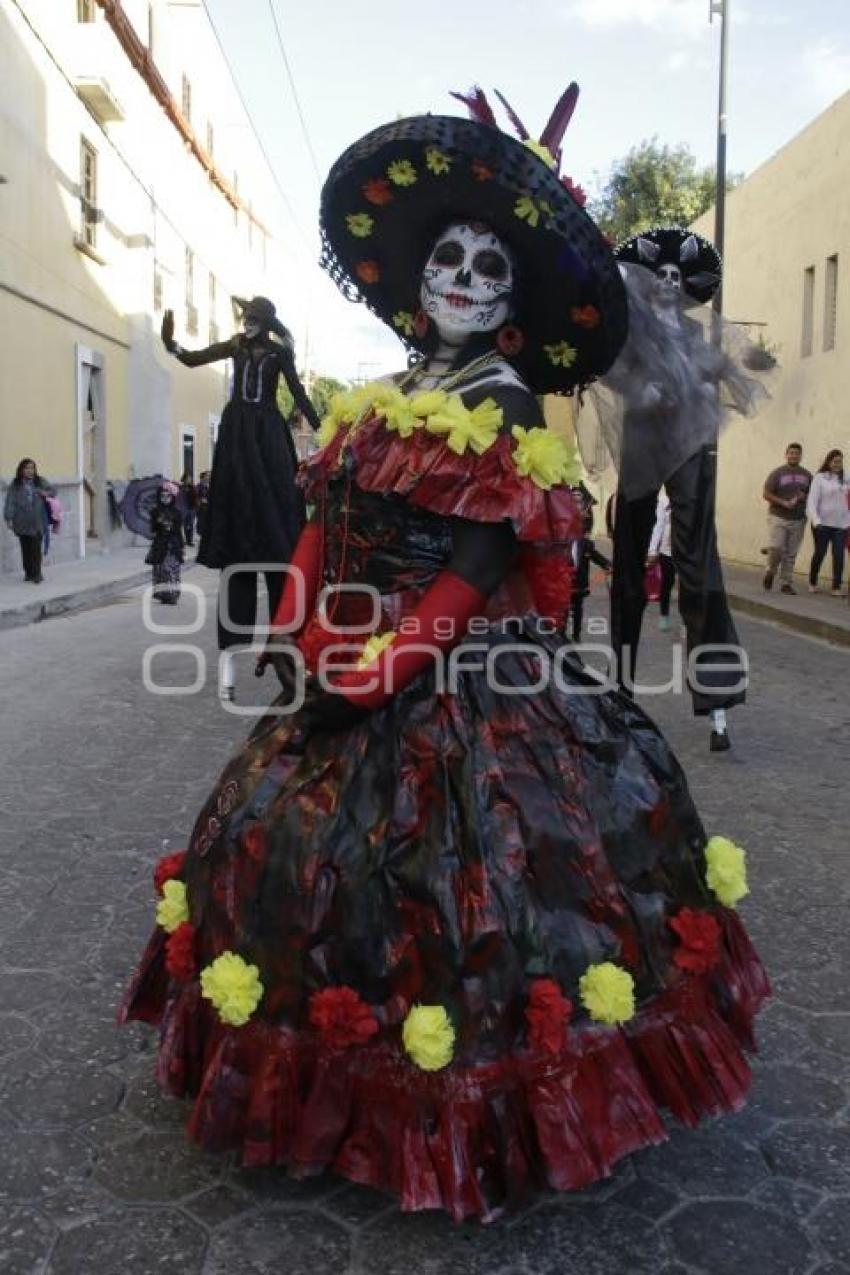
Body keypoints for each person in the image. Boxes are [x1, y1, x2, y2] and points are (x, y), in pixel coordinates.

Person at [121, 90, 769, 1222]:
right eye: (447, 258)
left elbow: (475, 563)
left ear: (512, 300)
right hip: (352, 651)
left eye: (487, 266)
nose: (462, 275)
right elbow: (323, 516)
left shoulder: (503, 399)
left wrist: (378, 671)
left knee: (469, 883)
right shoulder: (389, 397)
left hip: (462, 676)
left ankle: (476, 1102)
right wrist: (302, 619)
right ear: (417, 278)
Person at [591, 227, 765, 753]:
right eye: (658, 275)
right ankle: (620, 685)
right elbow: (612, 369)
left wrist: (738, 375)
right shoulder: (631, 331)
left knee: (698, 563)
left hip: (687, 443)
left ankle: (716, 699)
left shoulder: (695, 337)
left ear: (684, 286)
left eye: (674, 276)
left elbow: (722, 371)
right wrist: (638, 386)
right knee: (628, 564)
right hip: (644, 442)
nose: (667, 282)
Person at [160, 296, 320, 699]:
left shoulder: (279, 354)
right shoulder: (233, 345)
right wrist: (171, 343)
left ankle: (291, 665)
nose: (246, 322)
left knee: (275, 498)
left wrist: (326, 425)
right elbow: (195, 358)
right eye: (244, 317)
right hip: (237, 430)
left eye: (253, 318)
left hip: (267, 430)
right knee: (238, 495)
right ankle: (229, 675)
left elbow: (298, 394)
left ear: (265, 321)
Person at [762, 443, 811, 594]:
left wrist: (806, 496)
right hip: (778, 516)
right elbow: (766, 493)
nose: (794, 455)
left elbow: (814, 496)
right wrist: (782, 502)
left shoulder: (808, 475)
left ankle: (786, 583)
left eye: (797, 453)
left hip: (798, 519)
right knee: (776, 548)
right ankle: (770, 571)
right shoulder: (778, 473)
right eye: (791, 453)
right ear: (786, 454)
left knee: (791, 553)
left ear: (801, 456)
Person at [3, 457, 55, 583]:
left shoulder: (40, 481)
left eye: (32, 468)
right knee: (25, 549)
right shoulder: (15, 484)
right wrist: (9, 518)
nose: (29, 471)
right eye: (26, 468)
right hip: (21, 522)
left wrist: (45, 493)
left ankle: (37, 574)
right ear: (21, 470)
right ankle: (28, 573)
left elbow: (53, 491)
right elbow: (10, 502)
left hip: (37, 521)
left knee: (36, 549)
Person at [568, 489, 610, 641]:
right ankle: (560, 632)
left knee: (578, 607)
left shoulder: (585, 543)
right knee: (564, 607)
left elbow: (595, 555)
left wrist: (608, 565)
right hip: (563, 579)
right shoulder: (561, 541)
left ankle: (576, 633)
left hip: (579, 579)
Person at [806, 449, 850, 595]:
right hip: (822, 524)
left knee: (838, 555)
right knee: (820, 553)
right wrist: (816, 521)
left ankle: (836, 587)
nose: (837, 464)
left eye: (840, 461)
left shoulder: (846, 478)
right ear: (828, 462)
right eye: (835, 461)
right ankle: (812, 581)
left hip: (841, 525)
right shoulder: (820, 478)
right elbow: (812, 501)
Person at [146, 481, 185, 604]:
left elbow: (178, 530)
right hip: (160, 544)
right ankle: (163, 594)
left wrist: (182, 546)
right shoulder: (155, 511)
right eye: (162, 496)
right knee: (160, 570)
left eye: (167, 496)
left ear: (172, 497)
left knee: (171, 569)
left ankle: (173, 594)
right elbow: (153, 529)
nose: (165, 498)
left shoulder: (177, 512)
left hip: (173, 544)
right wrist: (158, 522)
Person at [647, 490, 676, 631]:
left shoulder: (690, 496)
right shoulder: (664, 500)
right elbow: (658, 525)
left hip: (686, 552)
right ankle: (664, 616)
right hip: (667, 550)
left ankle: (689, 620)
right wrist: (652, 550)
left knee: (689, 588)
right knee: (667, 584)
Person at [178, 472, 196, 547]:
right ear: (184, 479)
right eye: (188, 478)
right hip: (183, 508)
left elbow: (195, 496)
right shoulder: (180, 487)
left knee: (190, 525)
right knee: (181, 525)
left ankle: (189, 541)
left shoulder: (192, 487)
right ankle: (181, 541)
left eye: (190, 478)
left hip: (191, 508)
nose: (190, 480)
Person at [194, 470, 211, 542]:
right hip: (202, 508)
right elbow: (195, 496)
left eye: (210, 475)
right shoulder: (199, 486)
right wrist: (201, 500)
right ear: (203, 477)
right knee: (202, 523)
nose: (209, 477)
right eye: (207, 475)